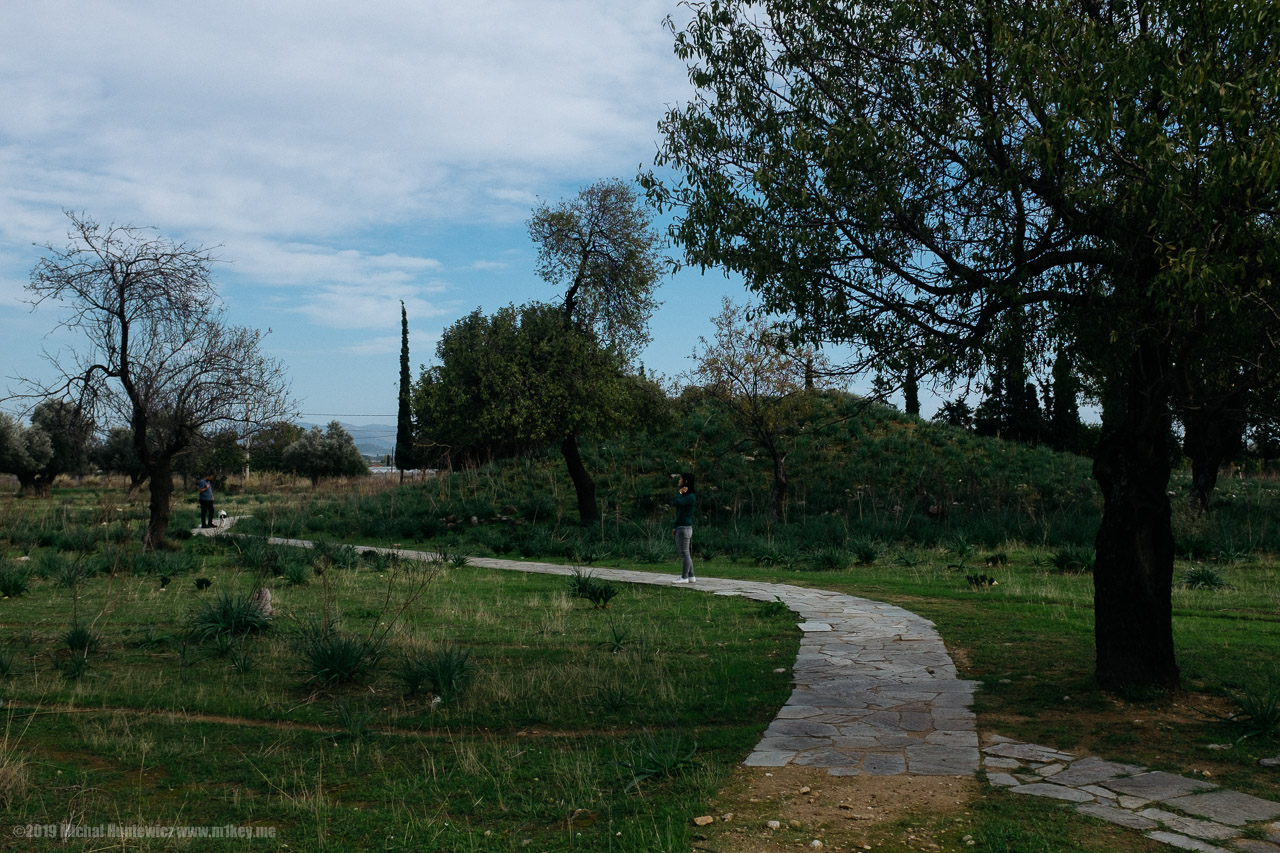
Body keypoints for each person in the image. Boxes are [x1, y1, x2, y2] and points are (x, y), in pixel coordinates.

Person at [671, 472, 696, 583]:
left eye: (681, 479)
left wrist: (679, 493)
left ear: (685, 482)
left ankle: (684, 577)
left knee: (684, 553)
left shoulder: (690, 497)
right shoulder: (687, 496)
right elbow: (679, 513)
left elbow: (677, 503)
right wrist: (675, 526)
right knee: (685, 553)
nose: (679, 480)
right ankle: (691, 575)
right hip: (681, 527)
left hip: (685, 528)